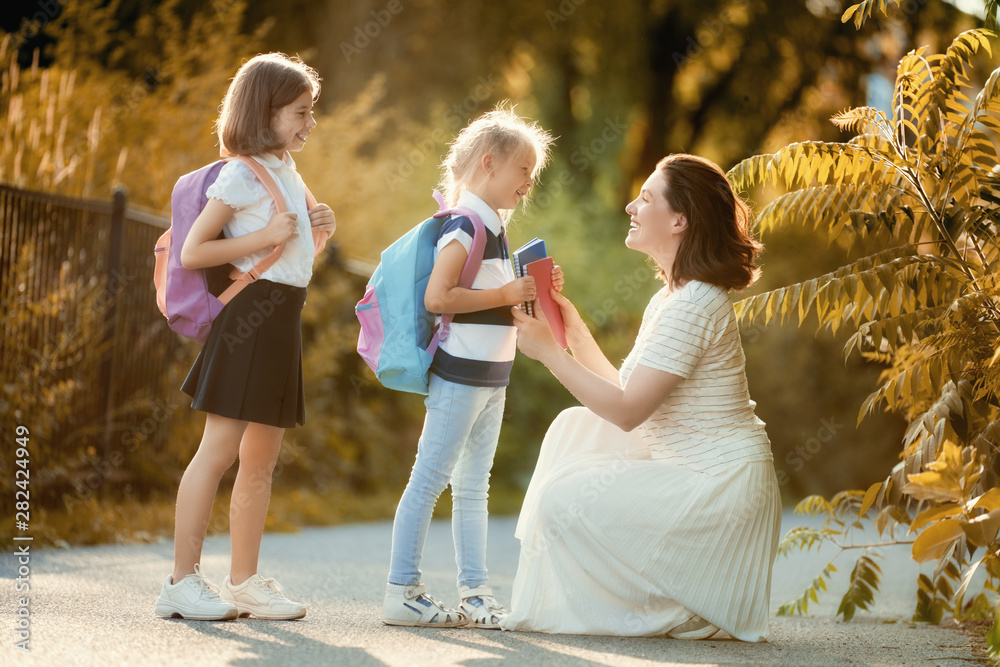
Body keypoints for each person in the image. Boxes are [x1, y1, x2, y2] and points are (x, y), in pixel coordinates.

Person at [503, 154, 781, 641]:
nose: (632, 206)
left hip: (719, 490)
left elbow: (628, 413)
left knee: (561, 500)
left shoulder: (696, 304)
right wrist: (569, 329)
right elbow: (626, 391)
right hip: (691, 472)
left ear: (680, 220)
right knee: (576, 424)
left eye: (647, 198)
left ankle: (685, 598)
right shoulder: (672, 299)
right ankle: (666, 595)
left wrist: (550, 355)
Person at [154, 53, 336, 621]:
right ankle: (180, 583)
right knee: (218, 452)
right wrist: (265, 231)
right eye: (300, 113)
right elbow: (195, 251)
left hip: (281, 321)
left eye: (312, 112)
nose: (309, 123)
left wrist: (318, 233)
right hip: (247, 325)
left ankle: (244, 581)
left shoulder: (286, 168)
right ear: (264, 110)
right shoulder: (241, 171)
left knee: (261, 459)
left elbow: (286, 258)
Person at [381, 105, 559, 629]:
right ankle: (401, 590)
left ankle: (475, 593)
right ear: (488, 163)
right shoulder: (465, 223)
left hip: (493, 378)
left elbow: (495, 302)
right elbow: (440, 297)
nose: (530, 182)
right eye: (524, 170)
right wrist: (506, 292)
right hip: (460, 376)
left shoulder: (497, 228)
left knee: (474, 485)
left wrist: (530, 293)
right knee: (429, 479)